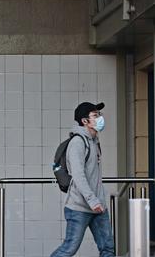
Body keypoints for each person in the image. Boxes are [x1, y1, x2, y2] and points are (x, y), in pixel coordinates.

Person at [51, 102, 114, 257]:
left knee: (107, 249)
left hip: (98, 207)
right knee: (69, 249)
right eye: (95, 115)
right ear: (85, 121)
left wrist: (99, 201)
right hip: (79, 207)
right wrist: (93, 200)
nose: (100, 118)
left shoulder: (94, 141)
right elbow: (79, 176)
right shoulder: (78, 143)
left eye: (99, 114)